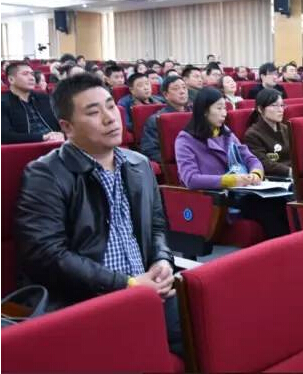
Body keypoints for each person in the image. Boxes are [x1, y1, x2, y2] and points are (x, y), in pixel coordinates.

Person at [14, 73, 182, 352]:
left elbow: (156, 226)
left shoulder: (138, 164)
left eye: (111, 106)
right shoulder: (45, 174)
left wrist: (162, 260)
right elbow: (45, 253)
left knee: (213, 333)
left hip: (147, 289)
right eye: (93, 112)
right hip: (87, 299)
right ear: (67, 127)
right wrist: (126, 284)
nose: (110, 118)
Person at [174, 88, 289, 239]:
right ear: (204, 111)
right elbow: (191, 179)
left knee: (280, 201)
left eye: (225, 108)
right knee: (268, 208)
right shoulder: (185, 140)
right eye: (219, 108)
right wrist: (231, 180)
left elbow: (251, 158)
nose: (224, 113)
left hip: (241, 192)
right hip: (217, 199)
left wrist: (256, 173)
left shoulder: (225, 133)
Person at [2, 63, 64, 144]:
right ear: (11, 79)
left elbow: (62, 121)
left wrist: (61, 134)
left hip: (56, 142)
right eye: (25, 74)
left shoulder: (44, 98)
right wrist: (43, 137)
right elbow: (5, 136)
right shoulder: (3, 103)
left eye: (32, 74)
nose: (31, 78)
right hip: (27, 146)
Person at [140, 75, 191, 163]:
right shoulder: (157, 120)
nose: (182, 91)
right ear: (166, 95)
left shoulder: (195, 115)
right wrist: (179, 159)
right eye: (176, 88)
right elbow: (150, 150)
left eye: (184, 87)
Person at [244, 89, 291, 178]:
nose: (280, 110)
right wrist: (290, 171)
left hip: (293, 174)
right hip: (274, 177)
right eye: (275, 105)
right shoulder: (253, 134)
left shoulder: (286, 128)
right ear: (260, 109)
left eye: (282, 105)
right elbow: (263, 163)